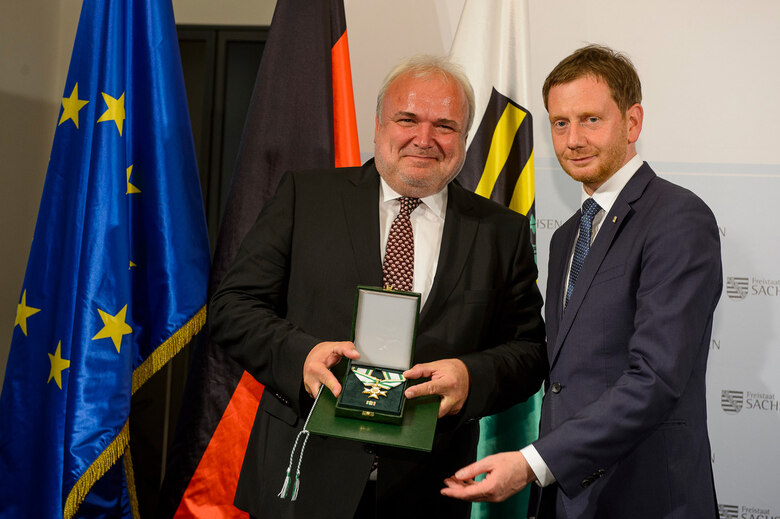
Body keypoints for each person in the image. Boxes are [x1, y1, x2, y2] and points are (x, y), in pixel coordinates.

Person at [209, 55, 547, 519]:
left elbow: (528, 350)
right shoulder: (305, 197)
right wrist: (300, 355)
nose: (424, 139)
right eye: (407, 118)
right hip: (302, 476)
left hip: (429, 488)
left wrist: (471, 377)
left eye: (445, 125)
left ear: (465, 139)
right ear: (378, 123)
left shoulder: (500, 232)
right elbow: (232, 306)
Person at [441, 44, 722, 519]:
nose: (572, 140)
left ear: (632, 122)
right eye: (560, 123)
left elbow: (654, 378)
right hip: (568, 497)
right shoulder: (569, 234)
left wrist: (533, 463)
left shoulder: (677, 217)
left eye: (591, 119)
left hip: (646, 495)